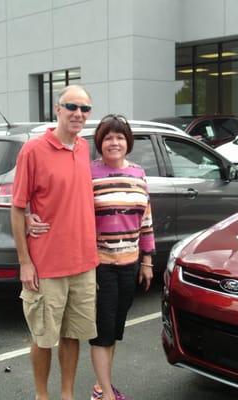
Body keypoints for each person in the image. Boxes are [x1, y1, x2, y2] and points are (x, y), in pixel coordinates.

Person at [29, 114, 155, 400]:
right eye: (108, 138)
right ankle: (106, 394)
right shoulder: (90, 173)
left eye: (120, 137)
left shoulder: (138, 173)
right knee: (103, 331)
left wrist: (147, 260)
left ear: (128, 142)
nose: (114, 143)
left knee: (116, 329)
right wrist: (28, 216)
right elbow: (64, 202)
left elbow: (146, 219)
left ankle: (101, 385)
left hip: (129, 263)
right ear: (99, 143)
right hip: (99, 264)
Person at [11, 84, 99, 400]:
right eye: (71, 107)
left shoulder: (84, 147)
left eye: (85, 109)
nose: (78, 114)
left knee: (74, 335)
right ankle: (41, 395)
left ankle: (66, 394)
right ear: (57, 110)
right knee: (44, 337)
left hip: (84, 263)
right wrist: (24, 262)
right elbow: (17, 207)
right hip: (46, 265)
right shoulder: (33, 150)